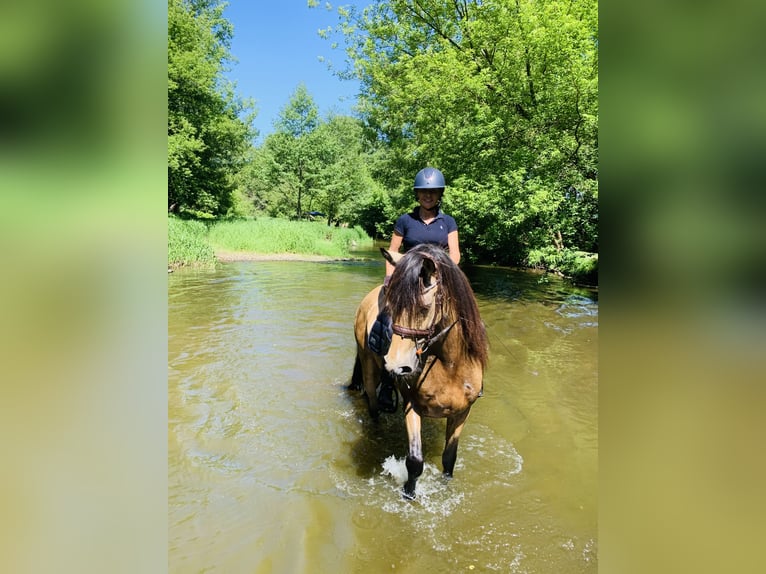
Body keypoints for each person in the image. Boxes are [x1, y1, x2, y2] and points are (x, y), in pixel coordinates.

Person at [370, 167, 461, 412]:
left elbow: (455, 255)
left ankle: (469, 371)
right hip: (408, 282)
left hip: (437, 280)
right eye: (423, 192)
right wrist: (390, 282)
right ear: (417, 195)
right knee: (390, 323)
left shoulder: (448, 222)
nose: (427, 196)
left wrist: (443, 277)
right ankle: (388, 383)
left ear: (439, 194)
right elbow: (392, 253)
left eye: (432, 192)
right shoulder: (405, 220)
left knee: (466, 317)